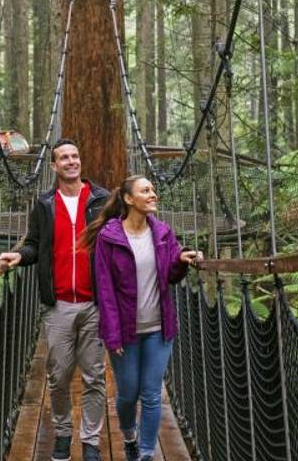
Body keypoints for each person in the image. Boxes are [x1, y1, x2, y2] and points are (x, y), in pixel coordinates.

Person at [0, 139, 109, 461]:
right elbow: (34, 245)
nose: (71, 161)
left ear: (80, 160)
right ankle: (62, 433)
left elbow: (121, 239)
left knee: (94, 376)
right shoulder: (45, 204)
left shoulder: (101, 200)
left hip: (94, 305)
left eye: (75, 155)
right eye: (64, 157)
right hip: (58, 304)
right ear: (54, 165)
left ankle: (90, 442)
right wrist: (19, 255)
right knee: (58, 377)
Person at [80, 175, 201, 461]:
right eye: (145, 190)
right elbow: (105, 290)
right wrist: (112, 333)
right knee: (127, 394)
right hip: (125, 331)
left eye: (153, 190)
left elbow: (171, 273)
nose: (153, 194)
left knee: (151, 394)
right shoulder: (109, 238)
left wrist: (183, 259)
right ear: (128, 198)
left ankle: (145, 453)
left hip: (159, 329)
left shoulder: (162, 233)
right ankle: (129, 435)